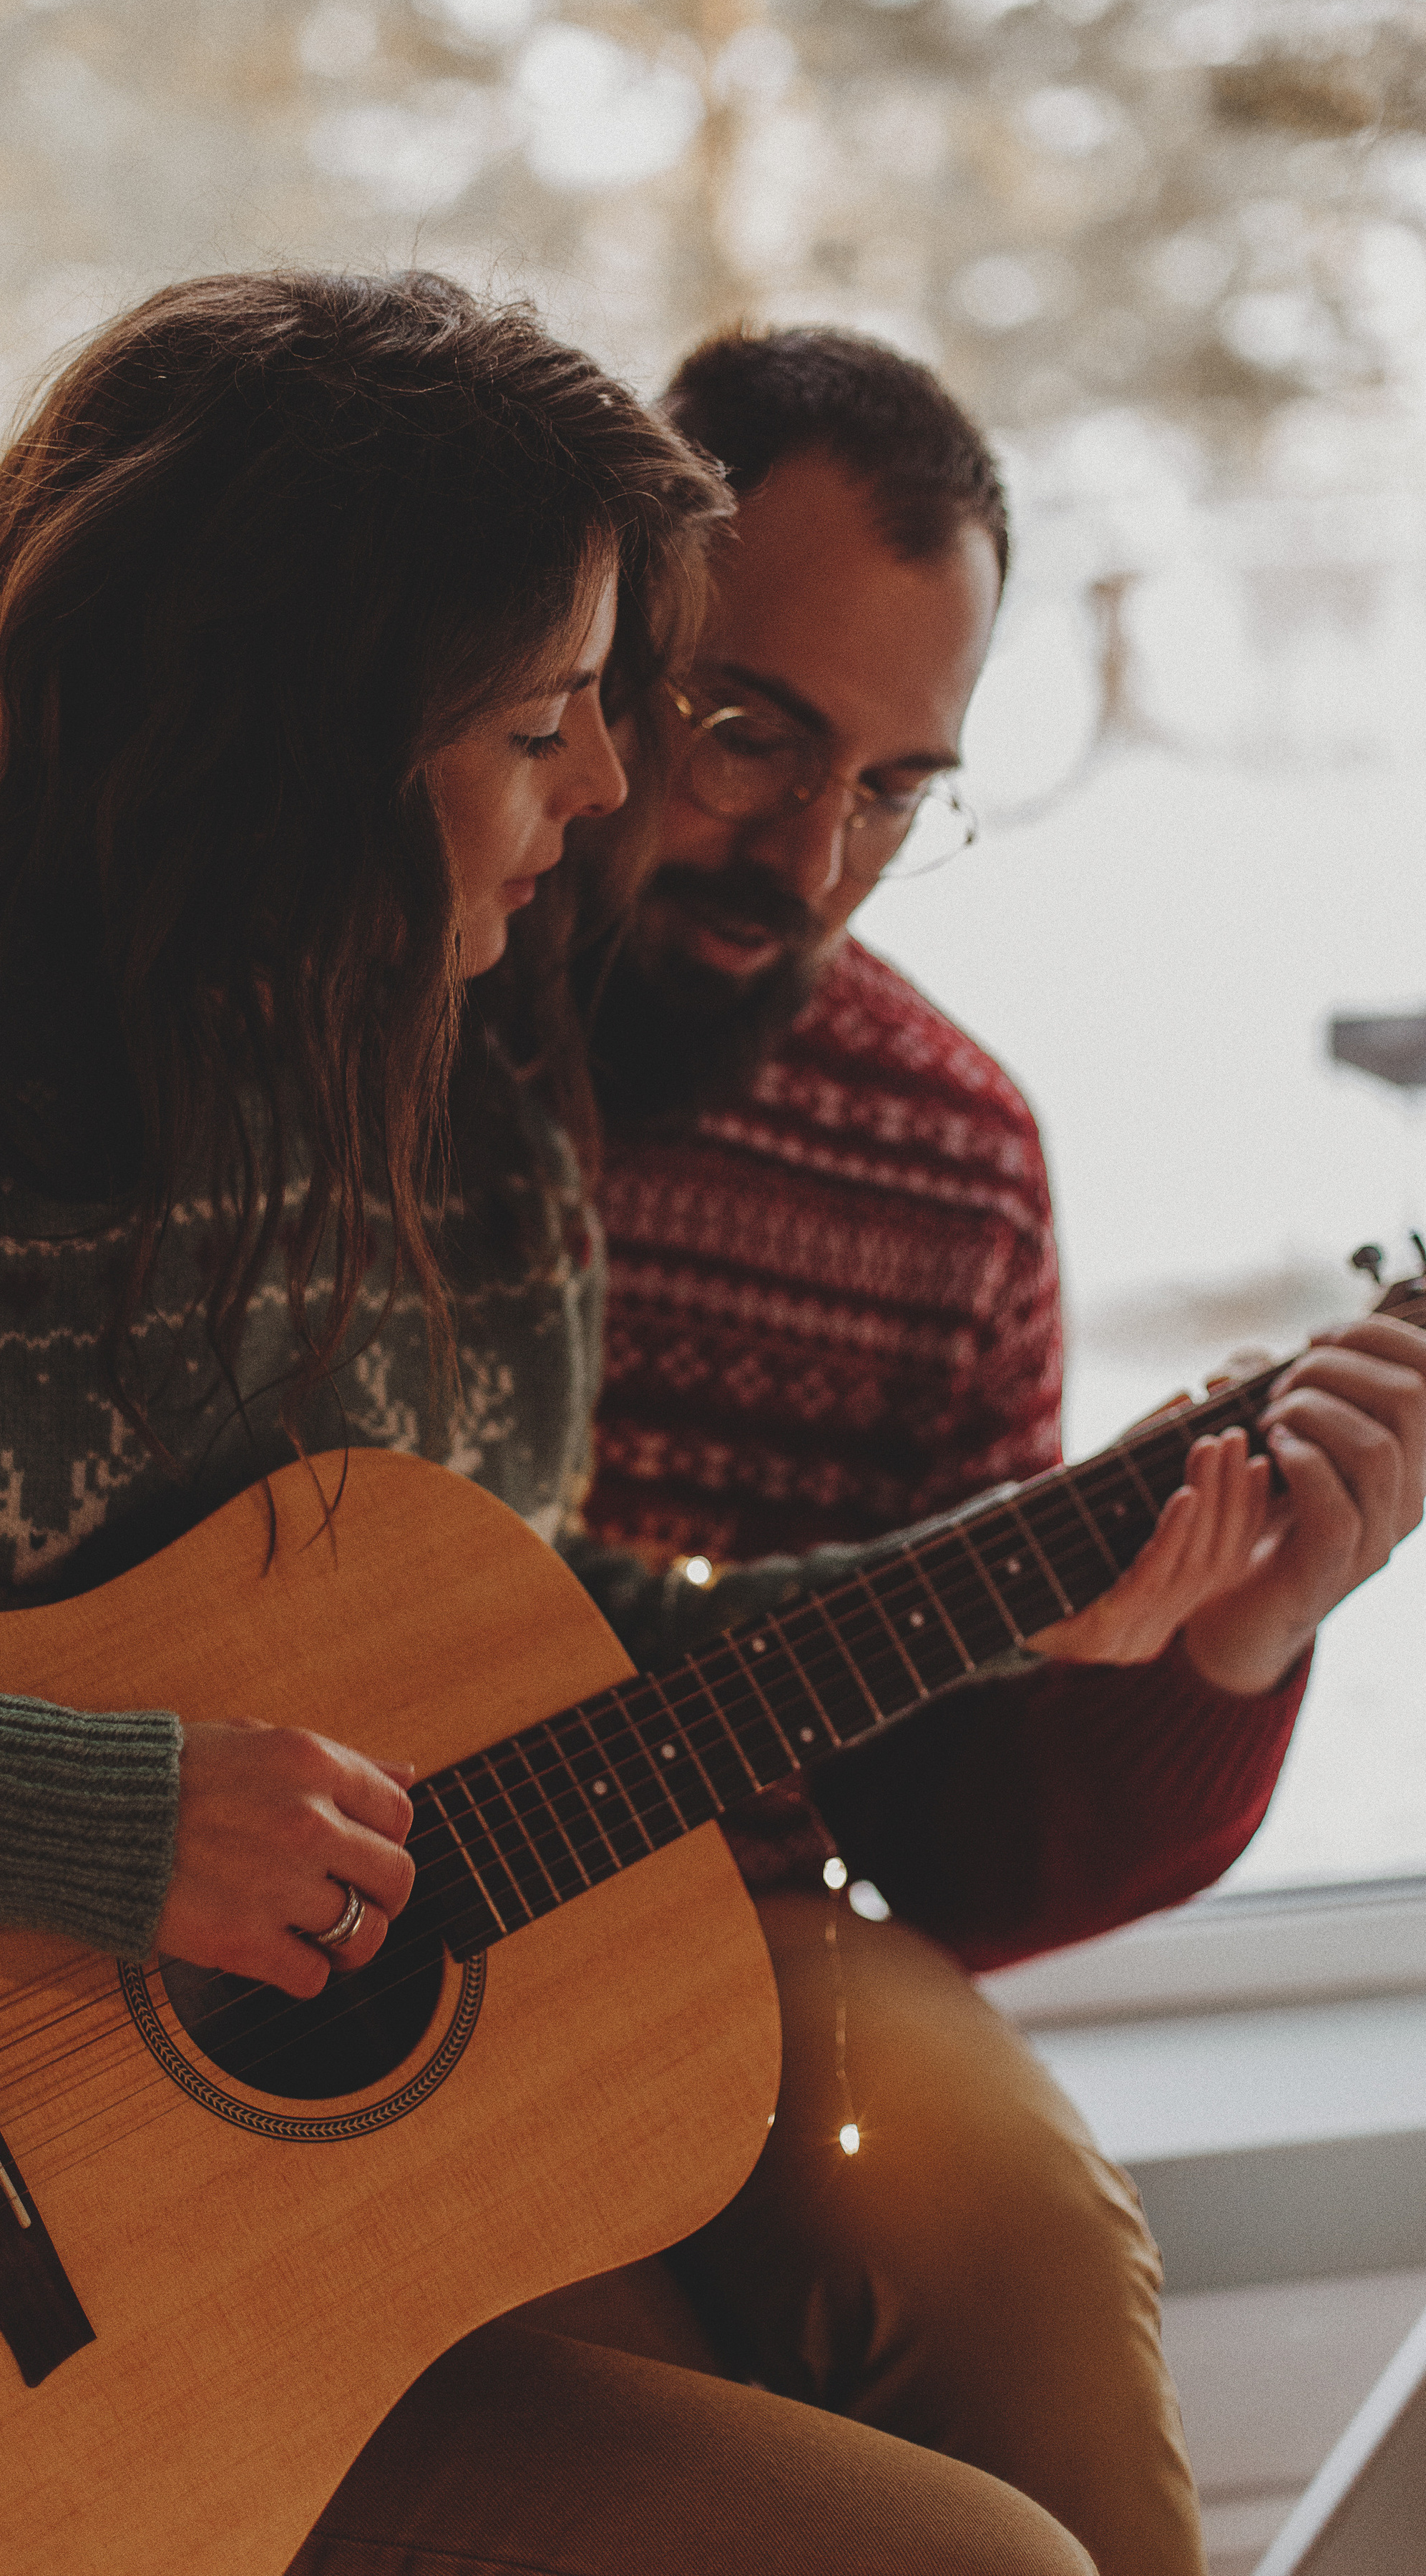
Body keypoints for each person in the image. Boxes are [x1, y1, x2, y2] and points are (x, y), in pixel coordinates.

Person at [0, 273, 1418, 2576]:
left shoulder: (473, 1158)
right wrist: (105, 1817)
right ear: (320, 741)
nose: (613, 788)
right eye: (564, 715)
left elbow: (535, 1646)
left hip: (244, 2212)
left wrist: (1051, 1595)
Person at [547, 324, 1424, 2573]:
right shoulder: (384, 1011)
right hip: (312, 1910)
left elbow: (942, 1848)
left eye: (900, 788)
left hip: (748, 1925)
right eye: (759, 735)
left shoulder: (949, 1152)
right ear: (606, 635)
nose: (813, 855)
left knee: (1023, 2238)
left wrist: (1220, 1646)